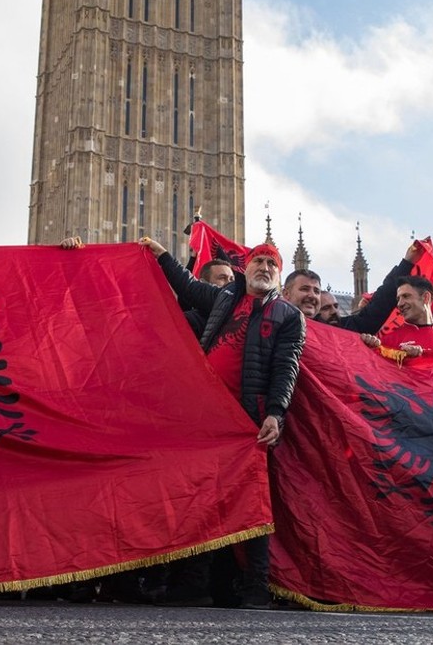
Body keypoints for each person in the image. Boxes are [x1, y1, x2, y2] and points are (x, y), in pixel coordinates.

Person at [140, 237, 304, 608]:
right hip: (207, 416)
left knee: (253, 504)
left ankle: (256, 587)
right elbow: (188, 286)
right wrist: (162, 254)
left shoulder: (288, 316)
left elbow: (286, 367)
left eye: (271, 264)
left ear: (278, 276)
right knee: (200, 499)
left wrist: (276, 413)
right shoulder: (225, 298)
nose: (264, 268)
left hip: (249, 419)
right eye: (258, 261)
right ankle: (195, 583)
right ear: (245, 268)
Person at [364, 276, 433, 357]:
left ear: (426, 297)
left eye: (406, 296)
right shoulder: (388, 341)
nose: (400, 304)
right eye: (398, 299)